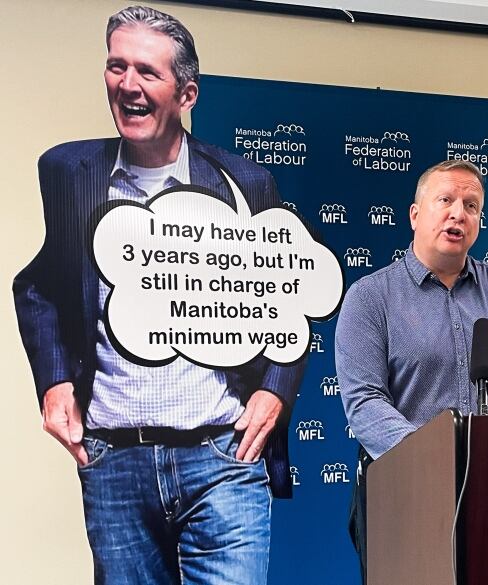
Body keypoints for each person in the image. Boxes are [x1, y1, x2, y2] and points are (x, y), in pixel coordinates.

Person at [13, 6, 303, 584]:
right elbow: (39, 285)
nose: (127, 85)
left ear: (186, 93)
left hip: (222, 457)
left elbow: (287, 301)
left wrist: (275, 393)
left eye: (147, 72)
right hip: (114, 459)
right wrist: (53, 384)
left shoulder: (243, 183)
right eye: (116, 67)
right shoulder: (69, 172)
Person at [334, 159, 488, 581]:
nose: (458, 213)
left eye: (471, 205)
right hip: (405, 491)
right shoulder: (370, 297)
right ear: (415, 215)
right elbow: (364, 402)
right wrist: (436, 464)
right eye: (446, 200)